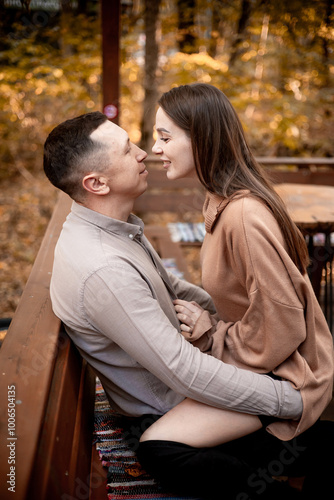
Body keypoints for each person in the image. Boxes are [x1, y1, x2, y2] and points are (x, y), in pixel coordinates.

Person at [43, 111, 304, 500]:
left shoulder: (114, 227)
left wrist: (221, 320)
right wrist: (289, 400)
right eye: (127, 149)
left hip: (189, 384)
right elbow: (185, 372)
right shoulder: (103, 270)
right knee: (168, 452)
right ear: (96, 183)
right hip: (171, 406)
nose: (143, 153)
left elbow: (172, 287)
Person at [138, 83, 334, 498]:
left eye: (165, 136)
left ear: (202, 138)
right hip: (260, 365)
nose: (155, 147)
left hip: (289, 376)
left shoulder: (244, 215)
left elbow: (281, 326)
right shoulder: (219, 201)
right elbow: (249, 303)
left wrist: (213, 333)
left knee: (160, 449)